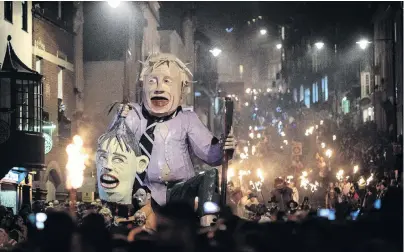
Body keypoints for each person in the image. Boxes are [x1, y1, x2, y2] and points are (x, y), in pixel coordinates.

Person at [111, 53, 236, 226]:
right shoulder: (133, 116)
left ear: (182, 89)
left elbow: (212, 156)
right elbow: (112, 150)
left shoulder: (187, 119)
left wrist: (224, 147)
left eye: (167, 81)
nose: (159, 88)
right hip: (143, 191)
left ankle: (208, 222)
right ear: (143, 86)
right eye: (152, 81)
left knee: (210, 175)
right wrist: (118, 122)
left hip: (179, 191)